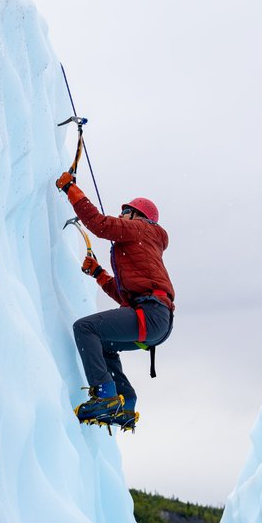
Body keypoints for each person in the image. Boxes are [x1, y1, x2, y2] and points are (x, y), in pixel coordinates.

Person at [56, 170, 175, 428]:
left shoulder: (142, 229)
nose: (122, 216)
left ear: (138, 216)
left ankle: (104, 395)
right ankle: (126, 404)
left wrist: (71, 191)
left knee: (84, 328)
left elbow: (101, 224)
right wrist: (99, 274)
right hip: (156, 321)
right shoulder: (145, 242)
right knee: (105, 344)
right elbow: (125, 295)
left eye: (126, 212)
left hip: (151, 314)